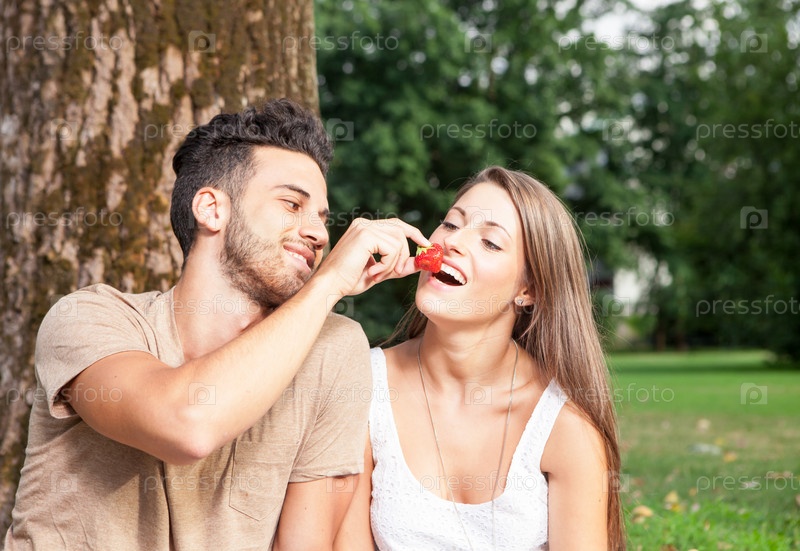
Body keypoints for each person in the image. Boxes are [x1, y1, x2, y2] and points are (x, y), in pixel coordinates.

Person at [3, 99, 429, 550]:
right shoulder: (88, 317)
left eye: (322, 219)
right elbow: (187, 426)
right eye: (292, 204)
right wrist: (327, 285)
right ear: (211, 209)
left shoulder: (331, 349)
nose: (320, 234)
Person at [335, 166, 625, 550]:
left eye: (490, 242)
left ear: (528, 290)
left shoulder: (564, 425)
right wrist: (332, 284)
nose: (452, 242)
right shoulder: (363, 385)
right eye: (450, 224)